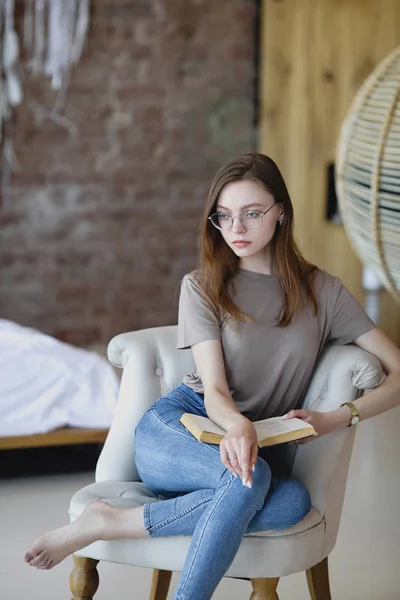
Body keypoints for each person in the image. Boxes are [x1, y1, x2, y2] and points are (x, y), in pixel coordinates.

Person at [24, 153, 400, 600]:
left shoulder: (324, 292)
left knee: (292, 501)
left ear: (281, 212)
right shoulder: (202, 286)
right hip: (179, 431)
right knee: (252, 480)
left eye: (251, 214)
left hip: (253, 450)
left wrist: (336, 418)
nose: (236, 229)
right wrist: (238, 425)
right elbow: (216, 391)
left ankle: (110, 521)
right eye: (224, 217)